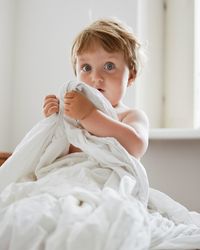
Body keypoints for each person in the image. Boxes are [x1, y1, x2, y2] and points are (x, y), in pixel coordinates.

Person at [42, 18, 149, 159]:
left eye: (109, 66)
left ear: (131, 76)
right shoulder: (71, 115)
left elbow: (136, 146)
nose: (96, 77)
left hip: (108, 179)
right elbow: (54, 155)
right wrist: (54, 123)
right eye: (86, 68)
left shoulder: (129, 116)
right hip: (71, 177)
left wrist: (89, 115)